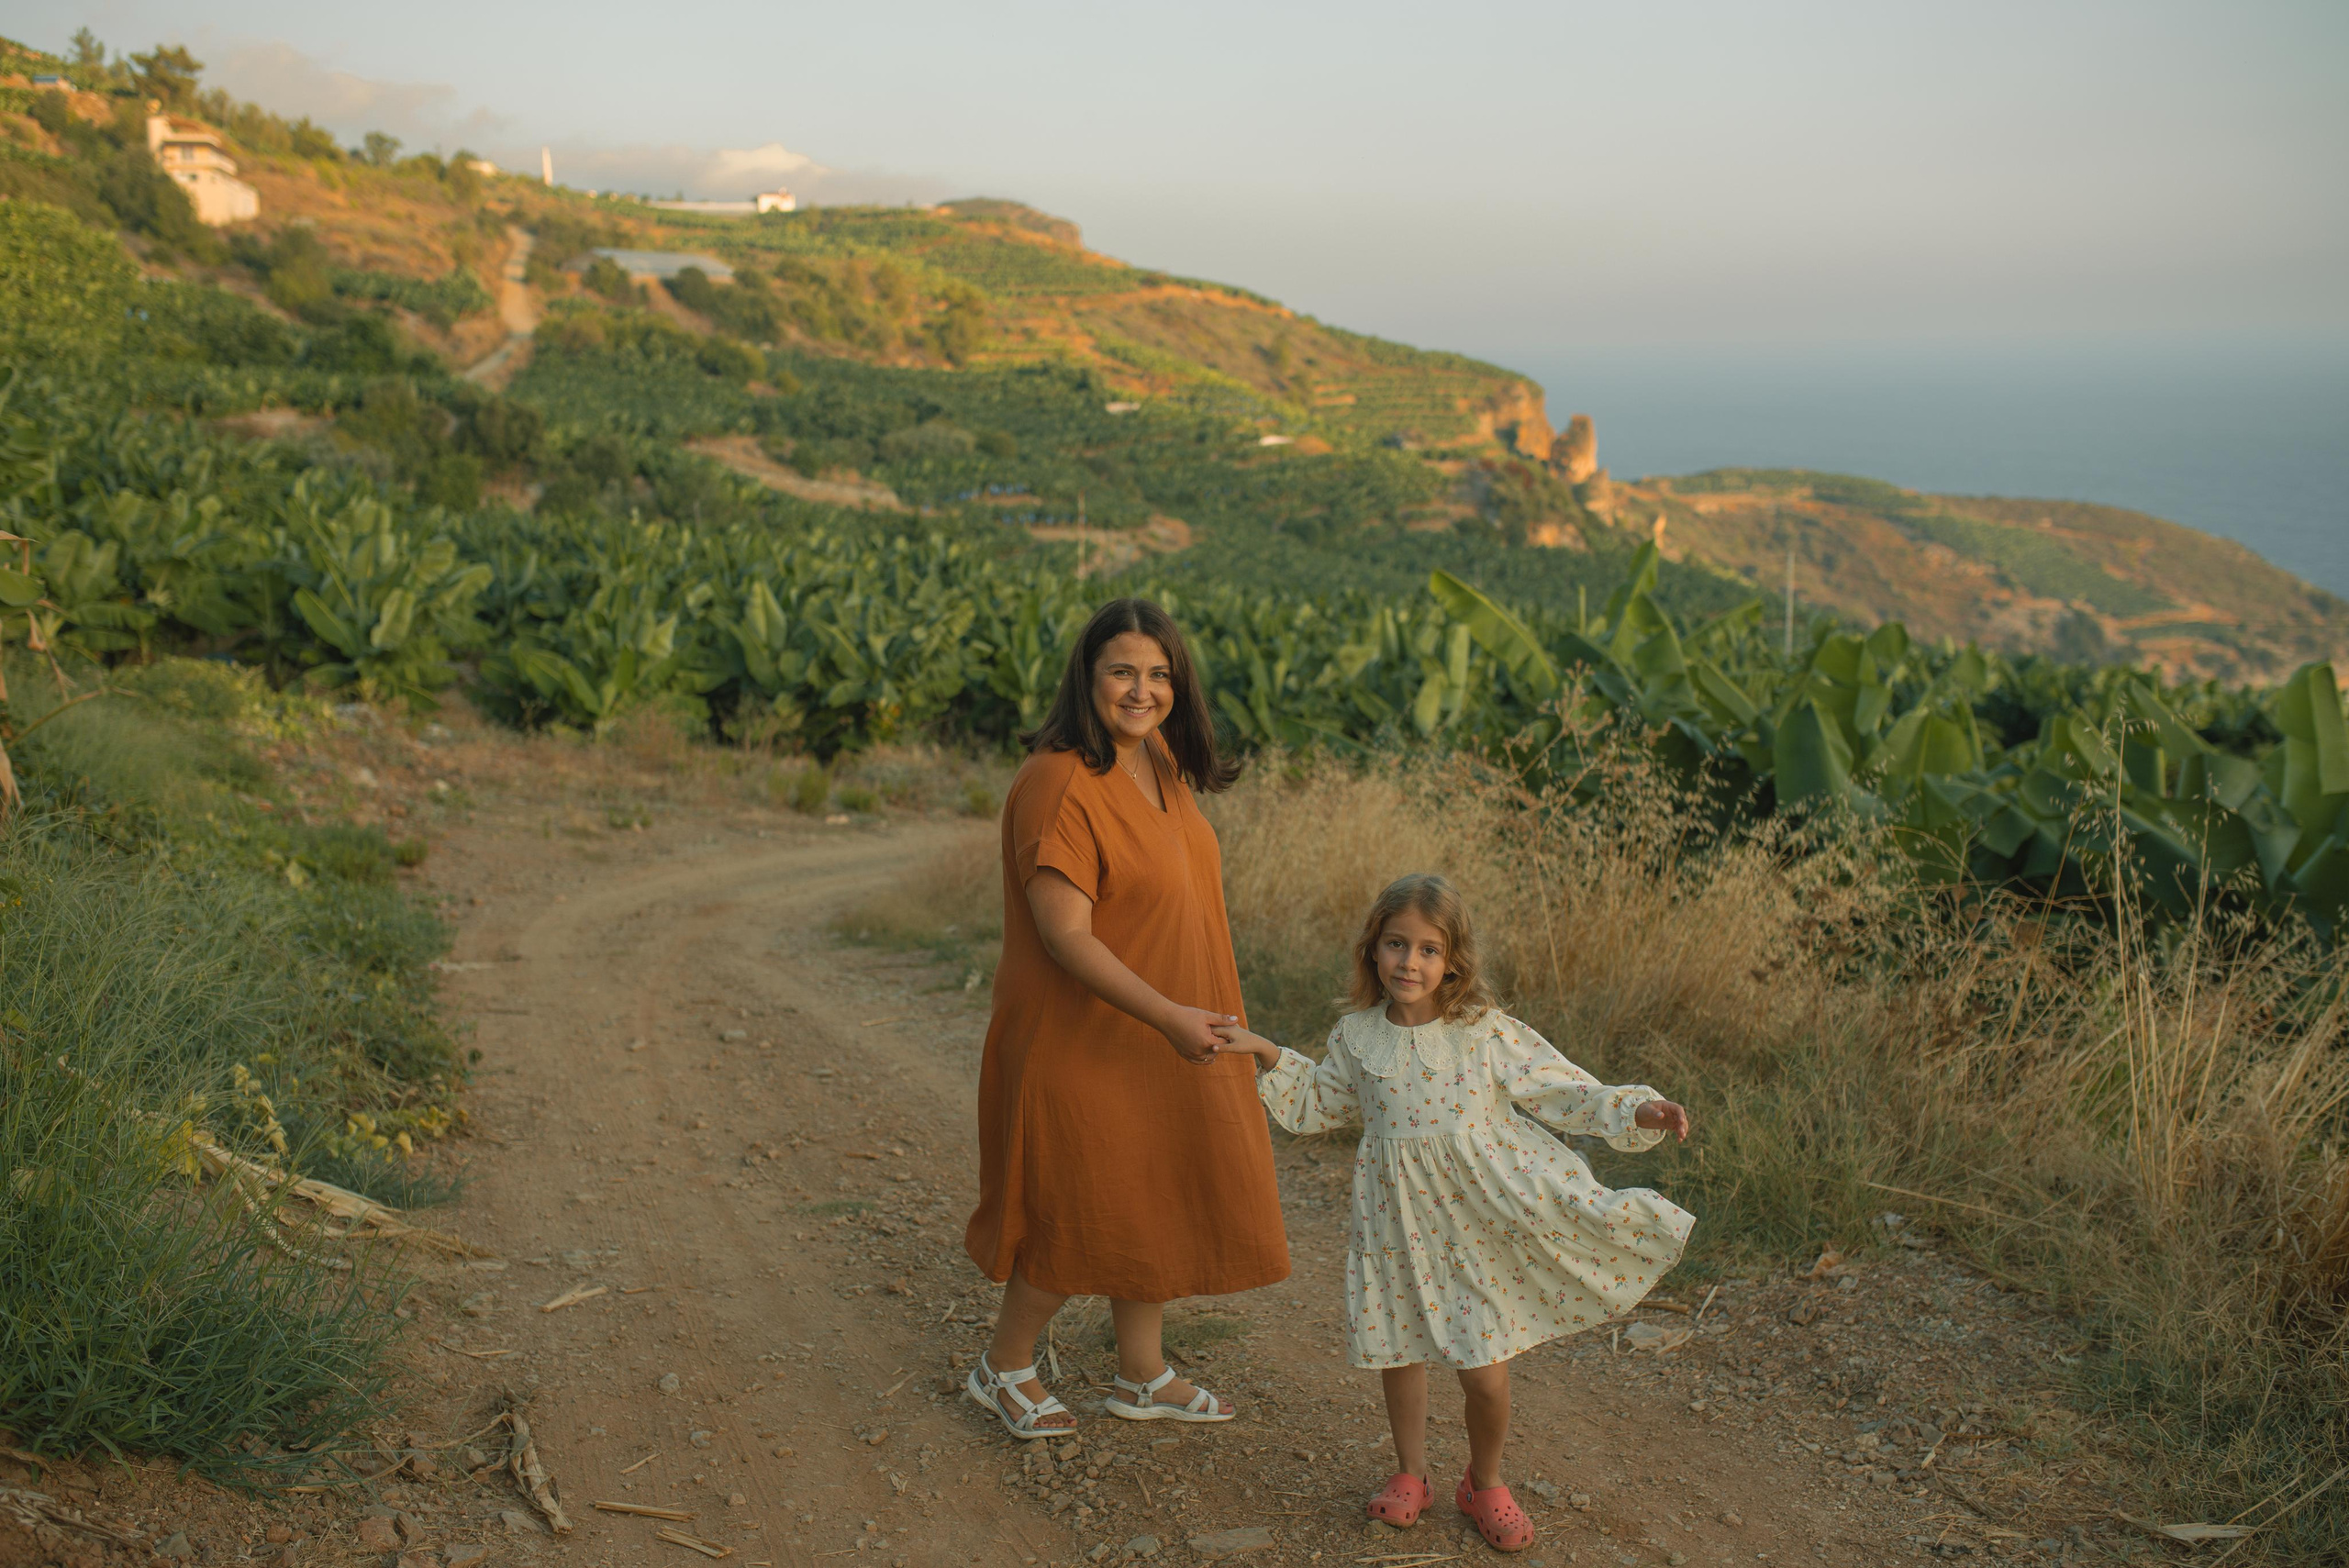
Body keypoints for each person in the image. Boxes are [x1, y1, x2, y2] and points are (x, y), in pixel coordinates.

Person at [1215, 873, 1694, 1553]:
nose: (1410, 961)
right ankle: (1411, 1472)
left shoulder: (1482, 1032)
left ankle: (1486, 1481)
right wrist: (1265, 1051)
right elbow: (1322, 1102)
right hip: (1393, 1223)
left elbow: (1560, 1090)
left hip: (1477, 1225)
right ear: (1373, 951)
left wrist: (1638, 1108)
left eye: (1428, 949)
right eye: (1395, 944)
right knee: (1401, 1350)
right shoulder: (1356, 1036)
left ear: (1453, 961)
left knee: (1485, 1375)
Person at [962, 599, 1289, 1440]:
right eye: (1122, 671)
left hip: (1173, 1022)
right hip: (1089, 1033)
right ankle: (1003, 1364)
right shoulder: (1059, 779)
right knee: (1079, 1200)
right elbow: (1064, 936)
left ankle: (1141, 1373)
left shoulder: (1162, 762)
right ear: (1088, 676)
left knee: (1155, 1193)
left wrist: (1187, 1016)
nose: (1141, 690)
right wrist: (1168, 1015)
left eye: (1158, 673)